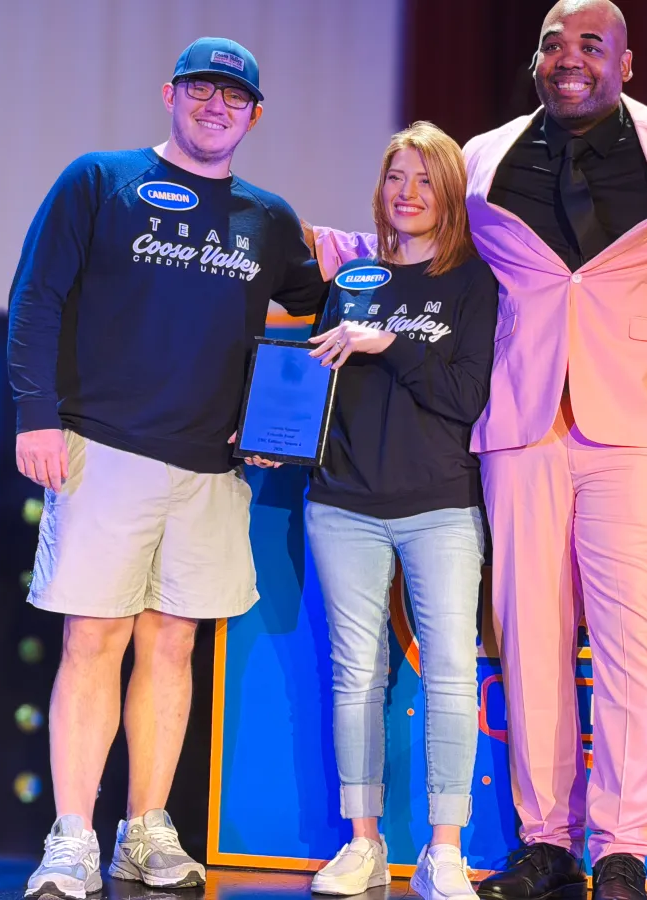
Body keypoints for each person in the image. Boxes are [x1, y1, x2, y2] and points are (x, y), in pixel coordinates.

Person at [308, 3, 647, 898]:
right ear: (535, 60)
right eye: (552, 44)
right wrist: (302, 242)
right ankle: (546, 840)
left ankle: (622, 846)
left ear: (626, 61)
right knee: (529, 637)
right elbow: (411, 239)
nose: (568, 58)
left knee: (632, 642)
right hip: (518, 423)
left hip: (636, 421)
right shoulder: (484, 157)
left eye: (590, 44)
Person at [6, 37, 326, 900]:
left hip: (211, 468)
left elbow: (325, 309)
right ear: (169, 94)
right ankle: (72, 836)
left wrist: (281, 417)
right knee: (92, 639)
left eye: (234, 96)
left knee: (173, 644)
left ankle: (144, 829)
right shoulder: (99, 181)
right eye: (200, 90)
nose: (215, 107)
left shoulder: (268, 219)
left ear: (255, 115)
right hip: (101, 448)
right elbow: (36, 297)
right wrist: (36, 415)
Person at [255, 122, 497, 900]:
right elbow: (318, 383)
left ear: (449, 193)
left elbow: (466, 396)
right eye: (396, 177)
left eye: (424, 179)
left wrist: (386, 343)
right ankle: (363, 843)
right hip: (344, 505)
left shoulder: (474, 283)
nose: (408, 193)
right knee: (356, 674)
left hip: (441, 505)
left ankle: (443, 852)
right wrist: (280, 438)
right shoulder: (351, 281)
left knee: (452, 671)